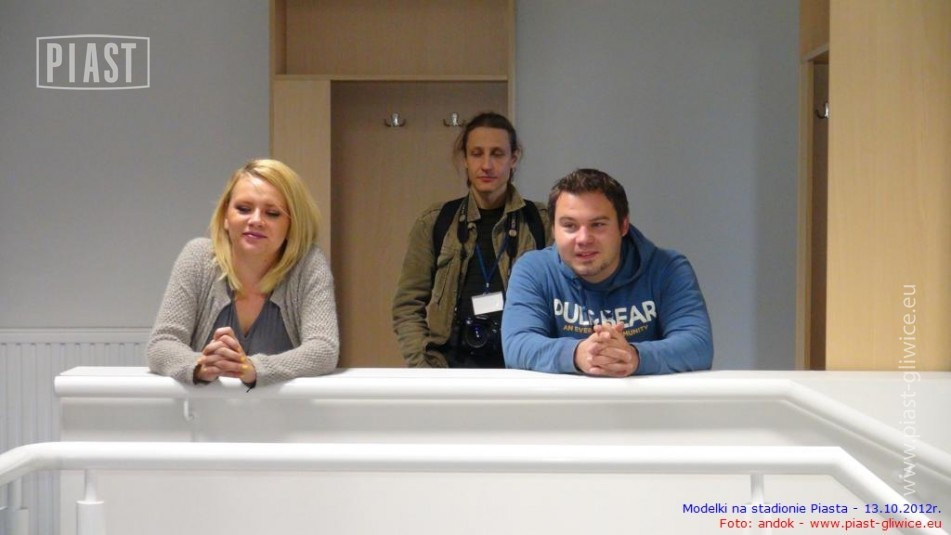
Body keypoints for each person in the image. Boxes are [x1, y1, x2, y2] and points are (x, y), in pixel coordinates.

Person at [147, 159, 339, 387]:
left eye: (272, 213)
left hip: (285, 409)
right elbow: (162, 344)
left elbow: (324, 350)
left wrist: (252, 368)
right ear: (225, 217)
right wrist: (201, 365)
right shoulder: (197, 258)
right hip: (205, 408)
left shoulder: (308, 265)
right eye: (244, 209)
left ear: (292, 225)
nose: (256, 221)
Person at [502, 168, 713, 376]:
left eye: (598, 225)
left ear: (623, 226)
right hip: (564, 399)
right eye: (570, 226)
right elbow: (517, 344)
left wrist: (634, 356)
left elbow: (697, 344)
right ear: (553, 230)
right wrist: (577, 354)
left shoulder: (668, 269)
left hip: (645, 399)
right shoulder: (533, 270)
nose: (583, 239)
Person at [392, 112, 551, 368]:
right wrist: (423, 367)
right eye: (477, 154)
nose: (486, 165)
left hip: (521, 368)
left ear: (513, 158)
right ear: (465, 159)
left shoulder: (541, 222)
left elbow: (562, 299)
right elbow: (407, 305)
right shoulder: (436, 222)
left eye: (497, 154)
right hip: (448, 369)